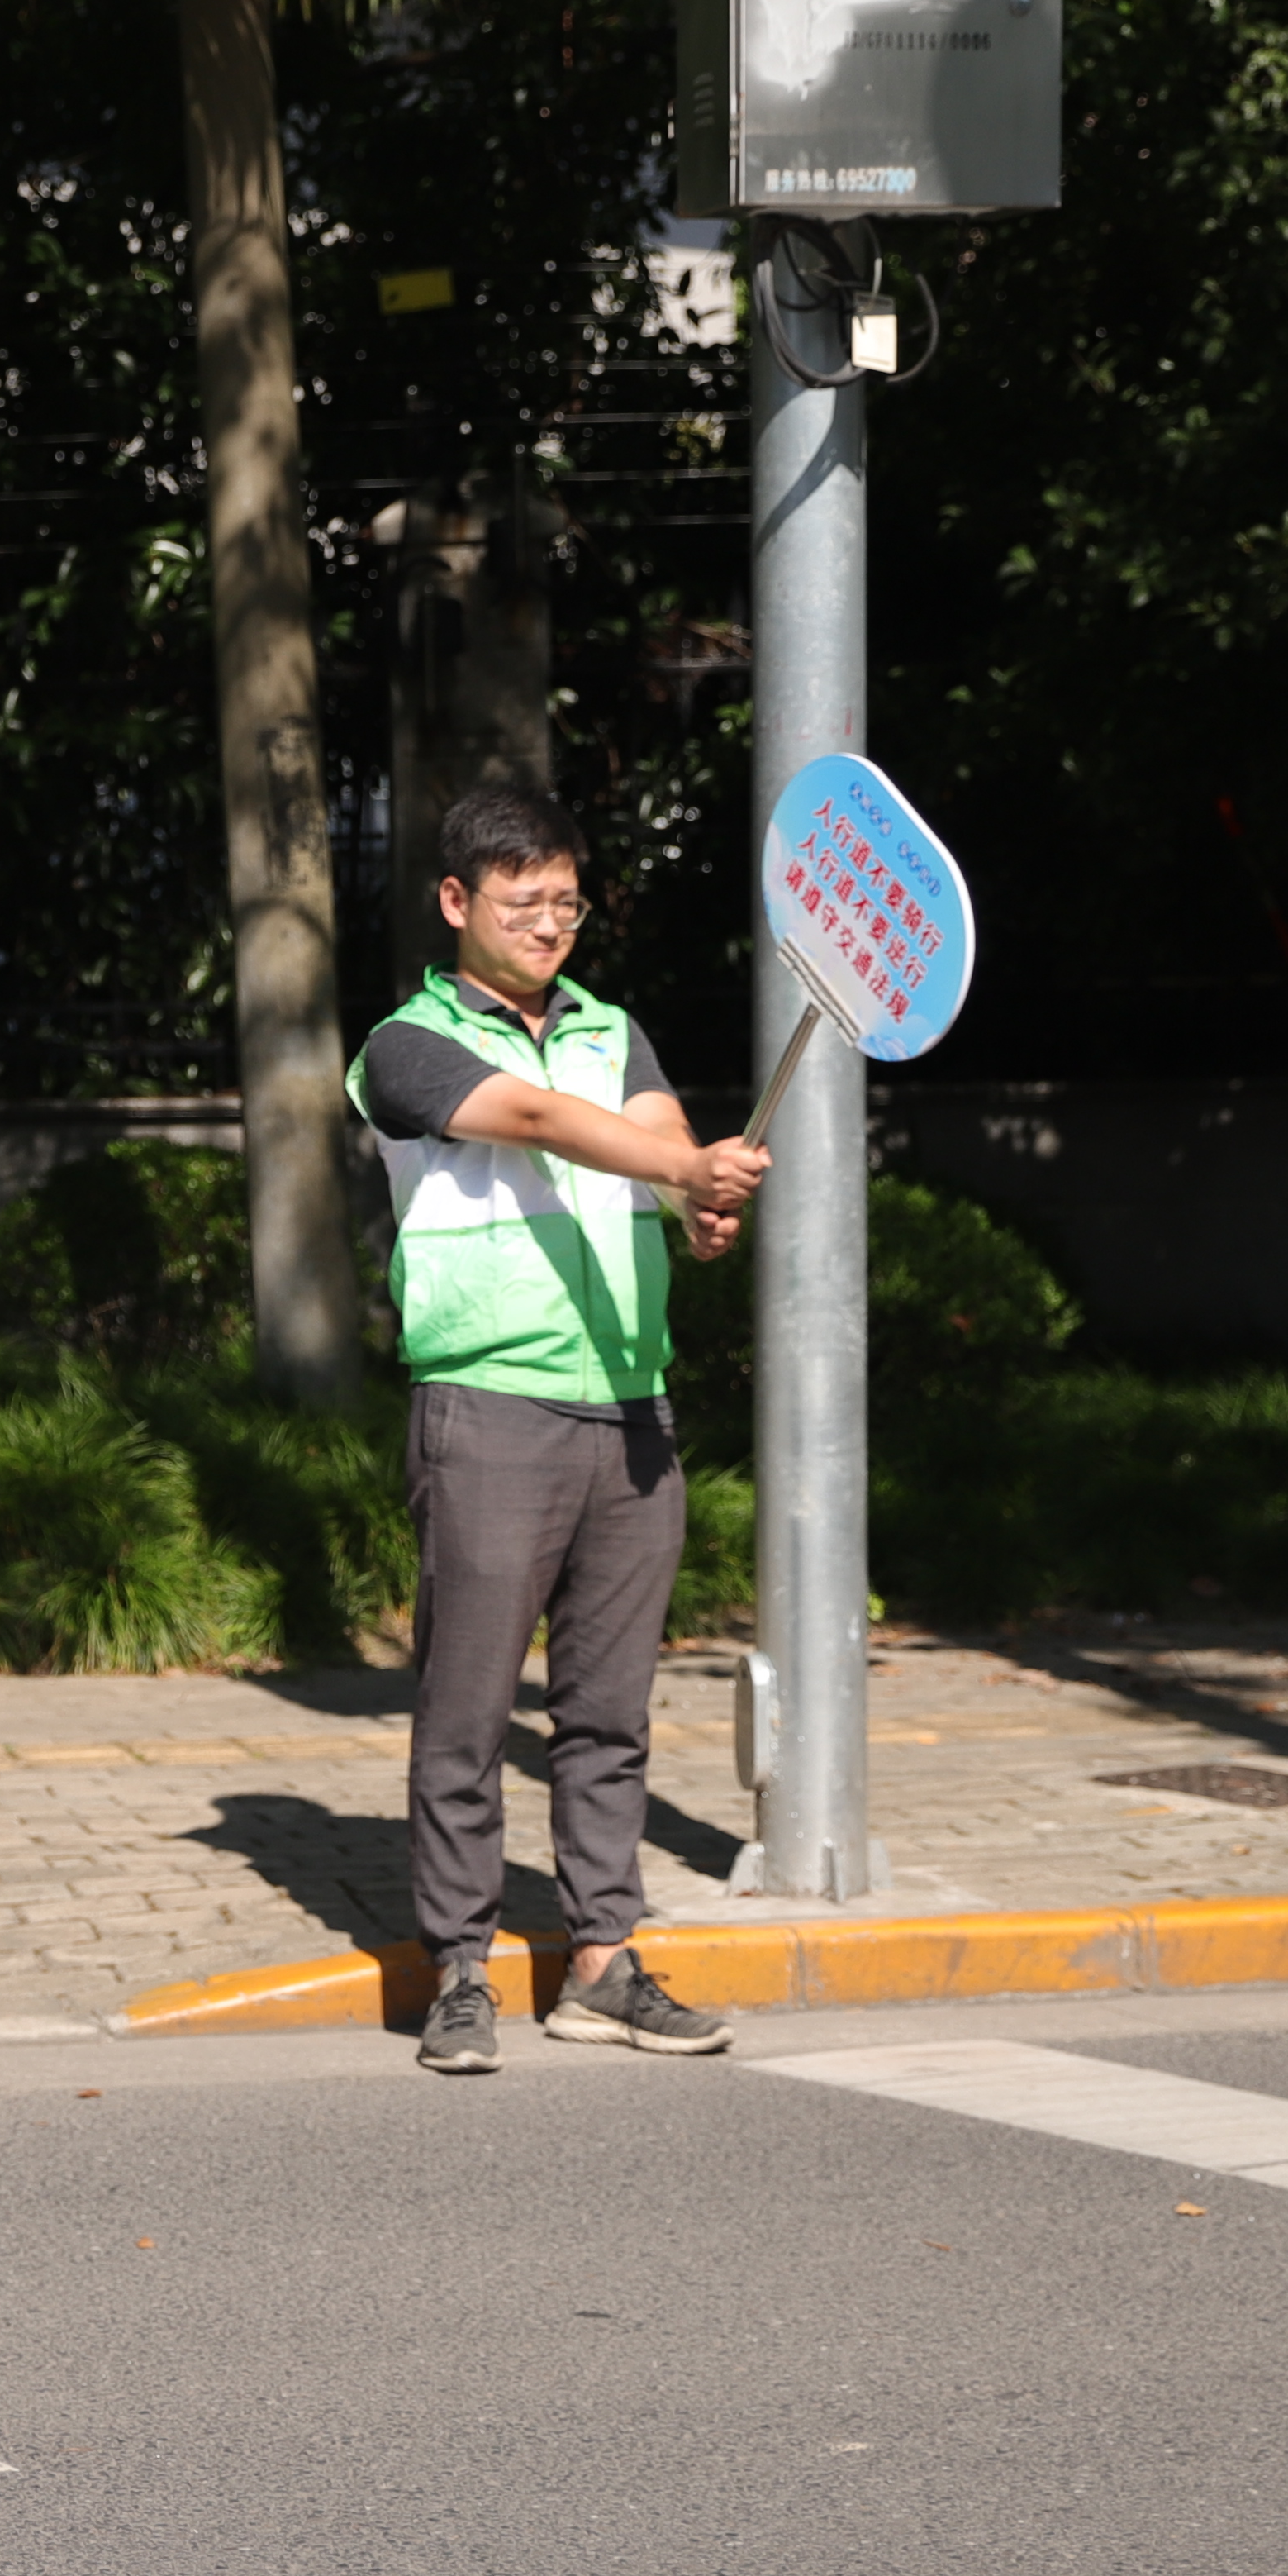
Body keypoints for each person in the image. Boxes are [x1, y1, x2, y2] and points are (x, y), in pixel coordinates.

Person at [349, 786, 771, 2077]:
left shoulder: (611, 1030)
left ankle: (602, 1962)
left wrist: (691, 1206)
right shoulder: (404, 1045)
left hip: (631, 1412)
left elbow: (654, 1140)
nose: (549, 923)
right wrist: (679, 1170)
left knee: (610, 1713)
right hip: (488, 1408)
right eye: (522, 900)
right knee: (468, 1709)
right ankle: (461, 1972)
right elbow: (531, 1123)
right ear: (457, 903)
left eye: (567, 901)